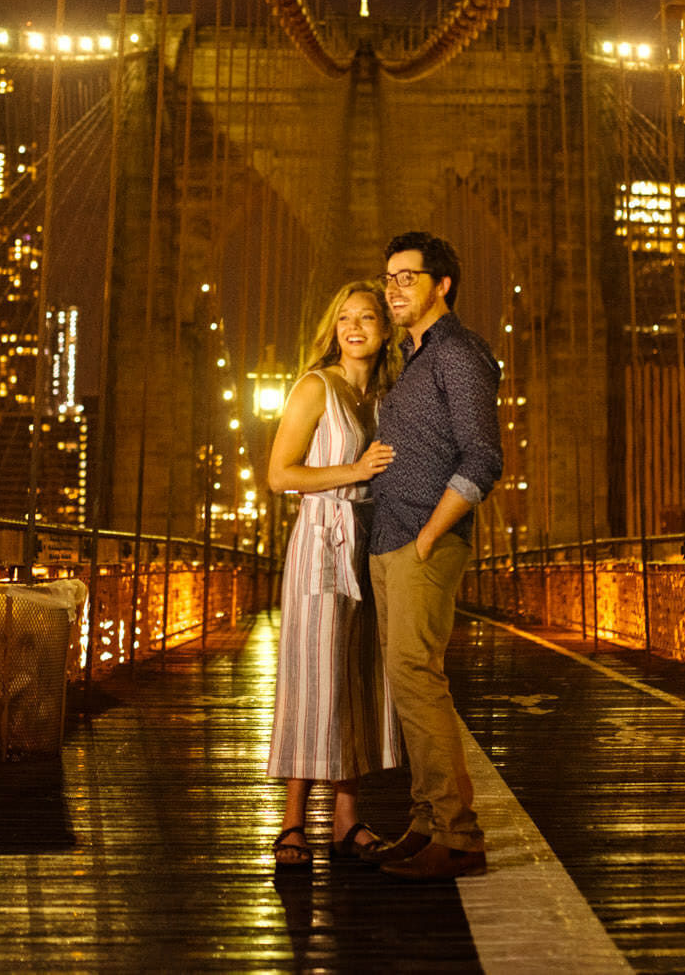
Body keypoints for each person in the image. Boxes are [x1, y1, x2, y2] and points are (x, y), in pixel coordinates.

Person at [360, 231, 503, 881]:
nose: (393, 288)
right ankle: (426, 821)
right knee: (407, 685)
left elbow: (482, 456)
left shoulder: (459, 353)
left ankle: (458, 833)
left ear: (442, 284)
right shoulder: (410, 360)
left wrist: (427, 536)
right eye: (388, 278)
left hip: (423, 538)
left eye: (407, 277)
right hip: (388, 537)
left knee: (419, 676)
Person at [263, 281, 403, 871]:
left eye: (366, 317)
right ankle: (294, 820)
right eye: (344, 317)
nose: (353, 327)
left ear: (384, 328)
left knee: (357, 678)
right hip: (321, 540)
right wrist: (353, 469)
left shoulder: (385, 398)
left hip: (368, 542)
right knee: (313, 676)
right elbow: (279, 474)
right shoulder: (314, 387)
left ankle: (347, 820)